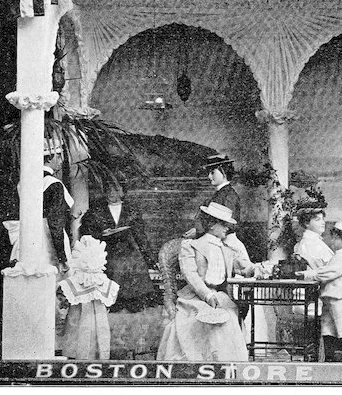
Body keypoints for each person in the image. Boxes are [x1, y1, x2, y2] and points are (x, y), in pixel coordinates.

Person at [157, 202, 256, 362]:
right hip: (195, 297)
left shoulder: (226, 248)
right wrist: (207, 295)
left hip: (220, 297)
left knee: (228, 317)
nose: (227, 228)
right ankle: (201, 361)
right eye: (223, 224)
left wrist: (254, 268)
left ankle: (224, 363)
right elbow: (190, 274)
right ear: (211, 225)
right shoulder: (191, 246)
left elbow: (242, 266)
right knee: (201, 320)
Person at [79, 181, 158, 312]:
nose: (111, 193)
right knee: (116, 265)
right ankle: (115, 301)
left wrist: (150, 259)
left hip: (128, 249)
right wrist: (101, 234)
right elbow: (86, 231)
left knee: (134, 263)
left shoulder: (131, 211)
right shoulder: (97, 211)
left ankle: (134, 301)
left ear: (123, 192)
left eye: (116, 190)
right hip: (106, 249)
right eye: (108, 190)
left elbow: (140, 237)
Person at [3, 136, 73, 272]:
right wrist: (62, 257)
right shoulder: (54, 184)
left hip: (26, 238)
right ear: (49, 158)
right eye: (58, 156)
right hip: (47, 242)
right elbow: (55, 223)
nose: (61, 160)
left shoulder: (23, 182)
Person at [300, 221, 342, 362]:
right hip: (330, 297)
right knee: (327, 327)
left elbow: (328, 273)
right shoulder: (337, 255)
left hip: (339, 298)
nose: (332, 241)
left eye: (336, 238)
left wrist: (308, 274)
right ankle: (329, 358)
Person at [59, 235, 120, 359]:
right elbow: (111, 300)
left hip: (77, 322)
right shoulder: (104, 282)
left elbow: (61, 304)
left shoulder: (73, 282)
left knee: (77, 337)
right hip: (98, 324)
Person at [183, 155, 247, 253]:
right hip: (214, 240)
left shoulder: (229, 195)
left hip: (225, 244)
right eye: (209, 173)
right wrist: (197, 230)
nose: (209, 176)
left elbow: (228, 225)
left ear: (223, 172)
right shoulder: (219, 194)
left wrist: (199, 232)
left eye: (212, 172)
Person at [293, 203, 333, 271]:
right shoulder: (310, 243)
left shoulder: (314, 241)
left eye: (323, 219)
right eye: (318, 220)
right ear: (306, 223)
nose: (323, 223)